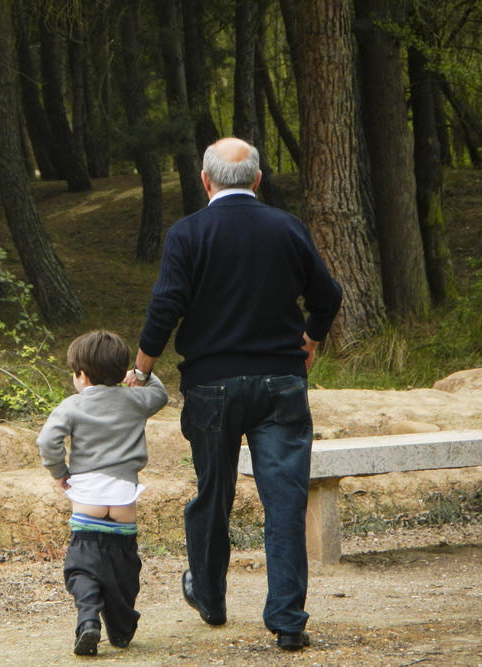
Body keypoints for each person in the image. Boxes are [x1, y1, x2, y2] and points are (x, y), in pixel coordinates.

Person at [125, 137, 342, 652]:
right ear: (259, 180)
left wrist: (140, 368)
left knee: (213, 493)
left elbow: (166, 306)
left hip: (210, 385)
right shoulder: (287, 227)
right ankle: (288, 620)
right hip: (280, 384)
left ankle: (209, 594)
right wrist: (310, 336)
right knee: (285, 500)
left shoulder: (188, 233)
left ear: (206, 181)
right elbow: (327, 294)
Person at [37, 329, 169, 656]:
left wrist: (60, 473)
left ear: (81, 375)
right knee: (124, 571)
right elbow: (161, 394)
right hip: (124, 504)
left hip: (88, 505)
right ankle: (122, 627)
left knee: (81, 569)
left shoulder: (73, 406)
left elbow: (47, 442)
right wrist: (139, 376)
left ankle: (88, 620)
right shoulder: (134, 399)